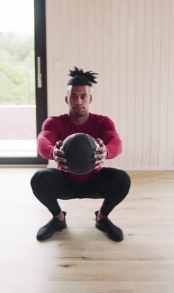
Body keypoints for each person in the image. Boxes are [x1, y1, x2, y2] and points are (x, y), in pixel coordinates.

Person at [30, 67, 131, 242]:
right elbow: (42, 142)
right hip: (65, 180)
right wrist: (52, 152)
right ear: (66, 99)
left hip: (95, 181)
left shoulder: (102, 121)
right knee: (39, 178)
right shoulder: (54, 122)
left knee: (122, 179)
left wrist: (107, 151)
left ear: (90, 99)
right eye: (74, 96)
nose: (79, 101)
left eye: (83, 96)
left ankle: (102, 218)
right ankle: (58, 219)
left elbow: (116, 142)